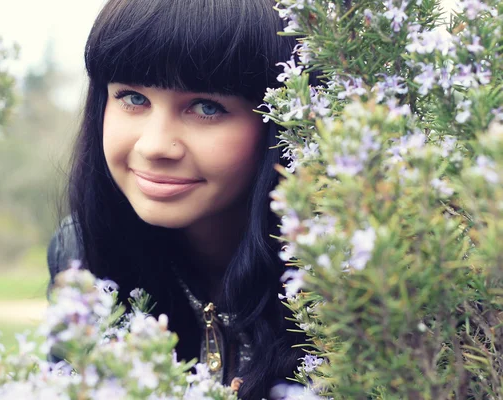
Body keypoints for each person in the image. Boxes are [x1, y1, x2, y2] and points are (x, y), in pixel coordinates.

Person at [46, 0, 319, 398]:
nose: (155, 146)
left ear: (281, 125)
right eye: (133, 99)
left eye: (206, 107)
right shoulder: (82, 253)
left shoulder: (341, 275)